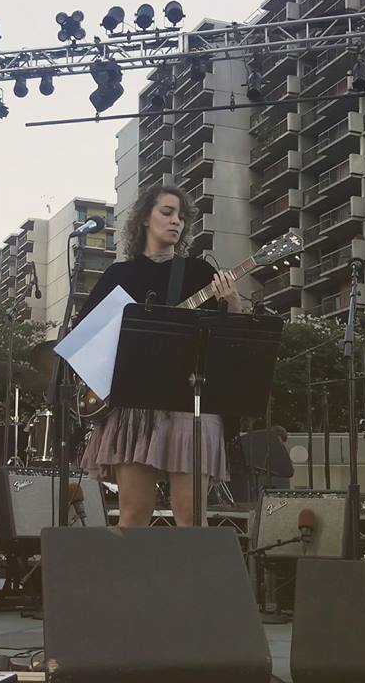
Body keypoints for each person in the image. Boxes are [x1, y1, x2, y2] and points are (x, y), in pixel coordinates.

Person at [74, 184, 241, 527]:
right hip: (134, 406)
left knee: (192, 518)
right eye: (167, 212)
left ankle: (192, 582)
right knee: (132, 515)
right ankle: (124, 582)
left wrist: (234, 303)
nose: (176, 221)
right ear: (145, 218)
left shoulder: (198, 273)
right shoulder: (119, 275)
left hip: (189, 404)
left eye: (181, 216)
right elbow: (86, 339)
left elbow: (229, 343)